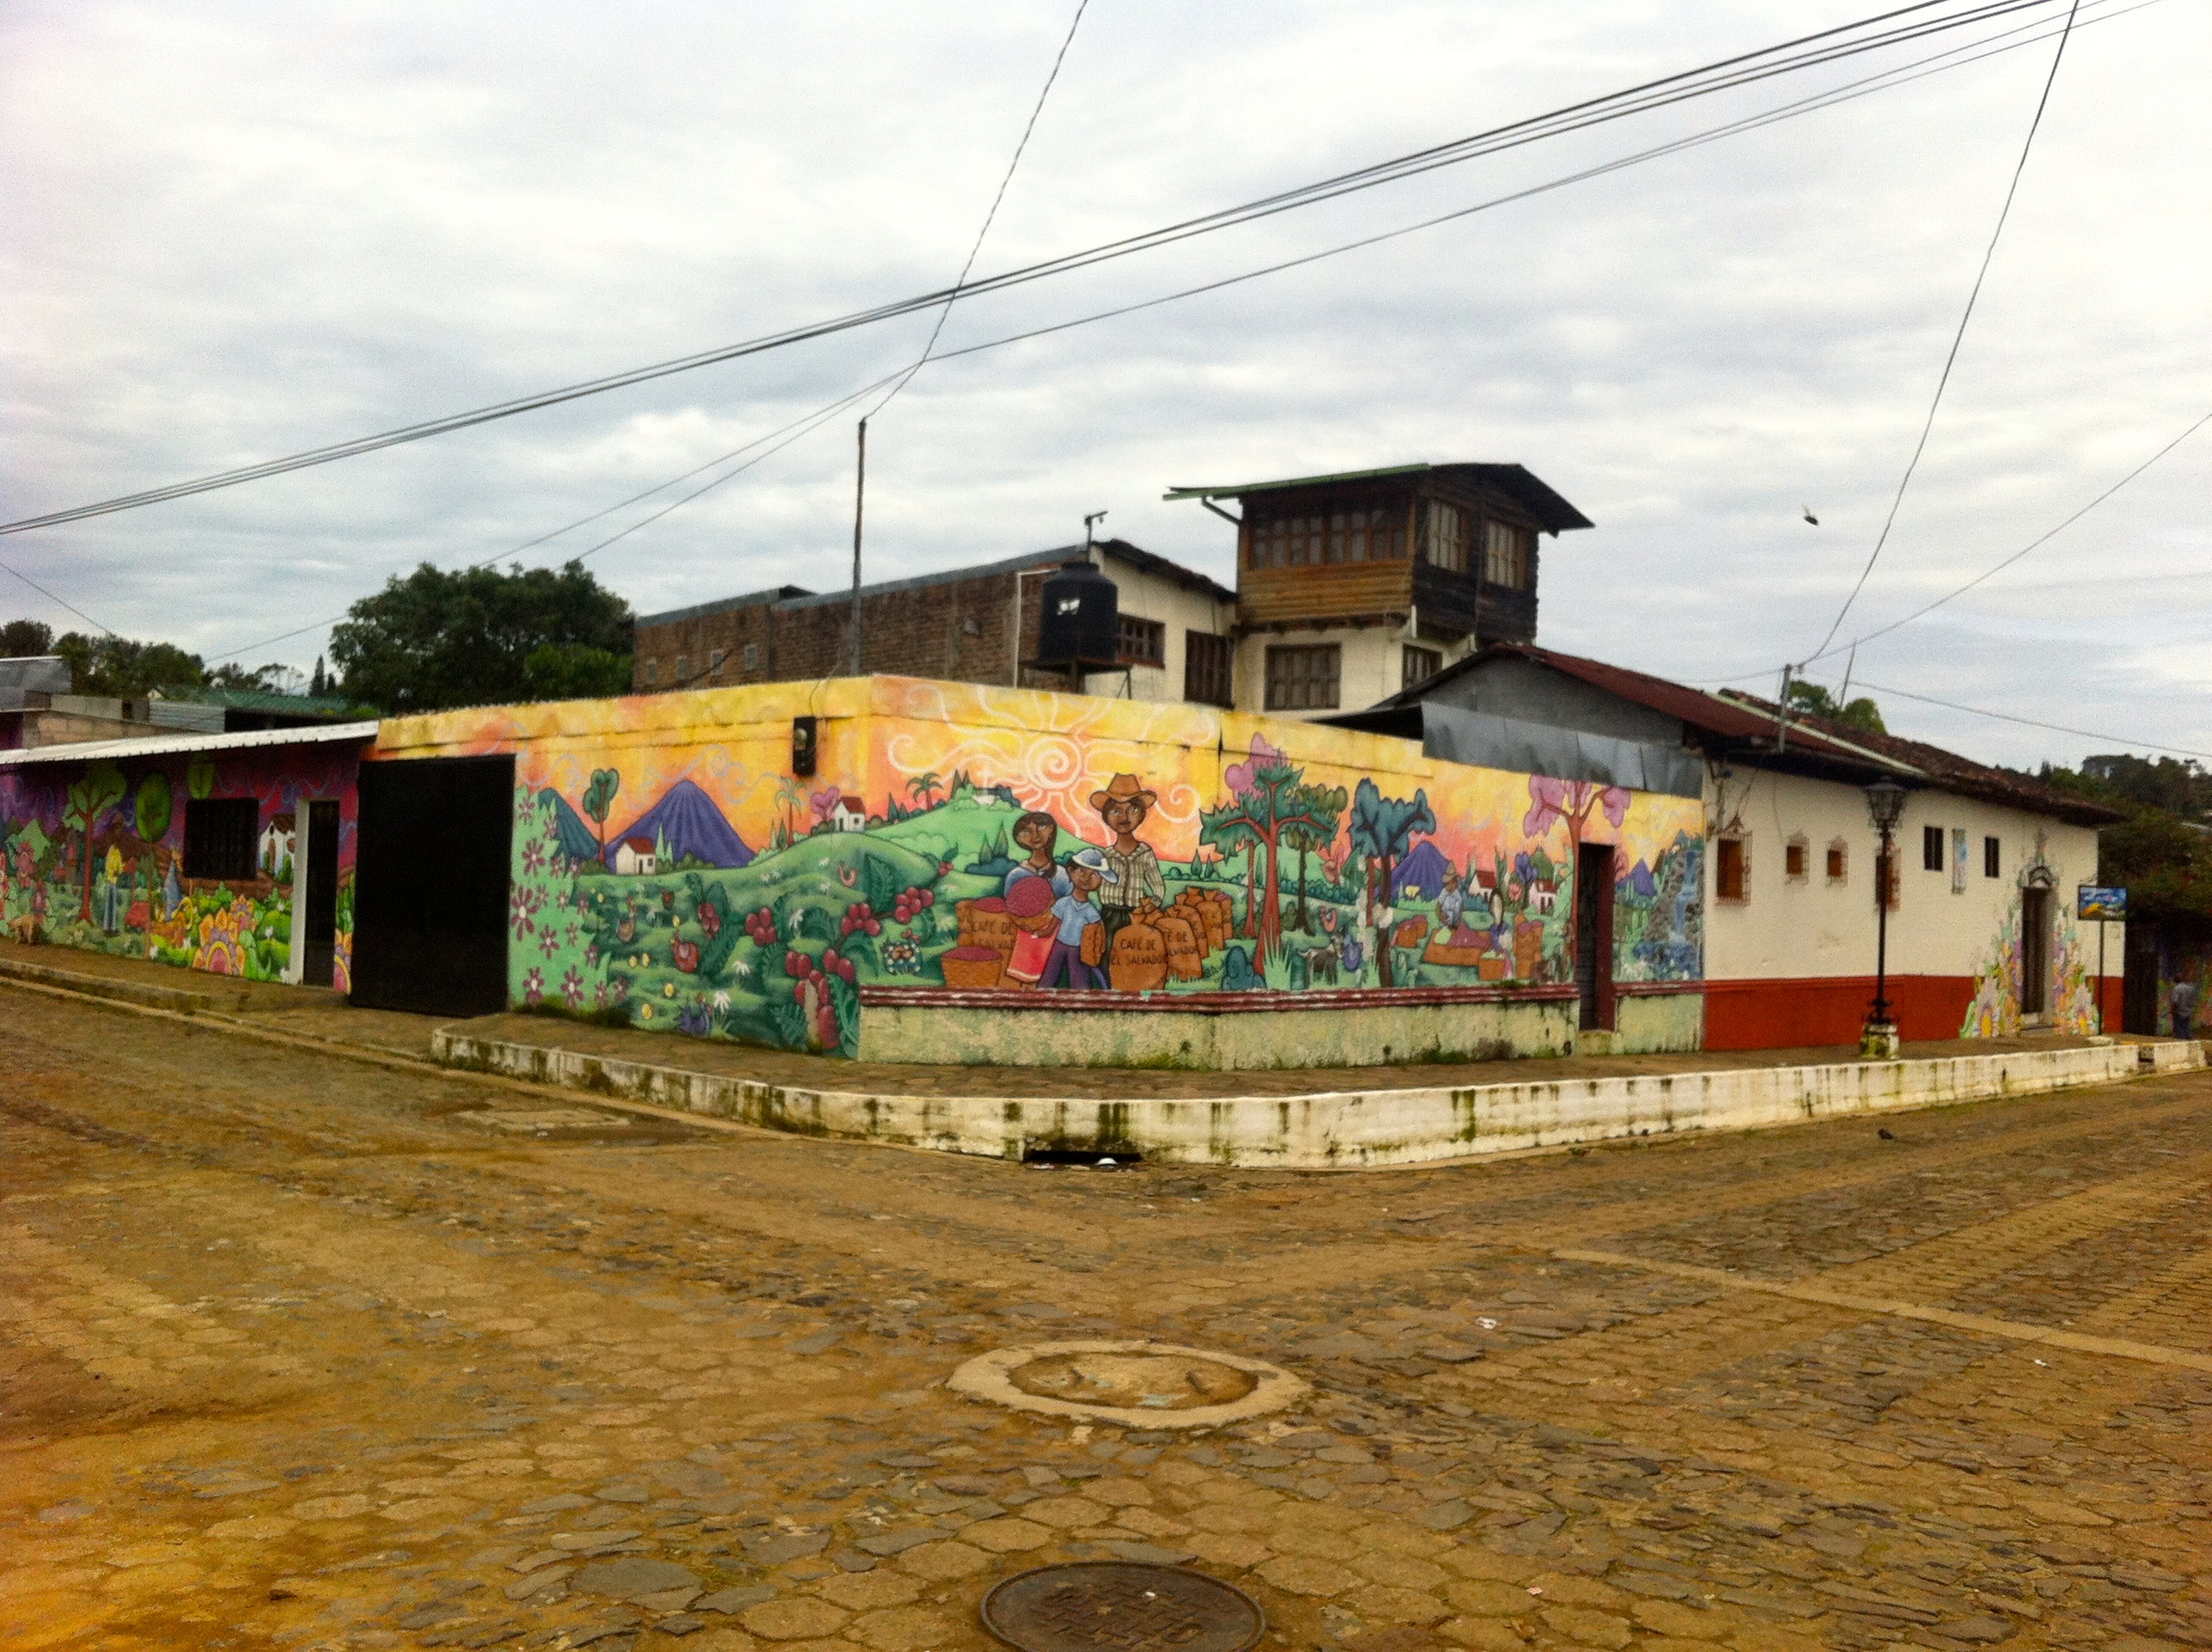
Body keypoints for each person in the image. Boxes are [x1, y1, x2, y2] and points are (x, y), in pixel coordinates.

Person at [1090, 773, 1166, 952]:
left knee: (1133, 957)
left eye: (1132, 810)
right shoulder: (1107, 855)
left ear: (1141, 815)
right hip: (1109, 914)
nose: (1124, 817)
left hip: (1136, 915)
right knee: (1108, 954)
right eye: (1115, 811)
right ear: (1106, 817)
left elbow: (1157, 884)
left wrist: (1153, 904)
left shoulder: (1145, 853)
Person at [1040, 848, 1117, 989]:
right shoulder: (1063, 903)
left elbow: (1098, 935)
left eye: (1095, 874)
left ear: (1101, 880)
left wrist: (1094, 952)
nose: (1086, 878)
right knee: (1050, 974)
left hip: (1079, 949)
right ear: (1071, 871)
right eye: (1081, 871)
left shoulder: (1091, 912)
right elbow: (1052, 926)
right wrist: (1040, 934)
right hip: (1059, 945)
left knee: (1080, 979)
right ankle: (1041, 994)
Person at [1003, 811, 1070, 900]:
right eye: (1027, 831)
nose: (1035, 836)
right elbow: (1009, 902)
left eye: (1041, 827)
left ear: (1051, 829)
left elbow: (1069, 903)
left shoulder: (1061, 874)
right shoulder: (1016, 874)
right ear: (1019, 838)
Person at [2172, 974, 2200, 1041]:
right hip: (2188, 1012)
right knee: (2187, 1028)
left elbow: (2175, 1002)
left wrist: (2173, 1011)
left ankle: (2182, 1042)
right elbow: (2194, 1000)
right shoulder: (2190, 988)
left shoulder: (2177, 989)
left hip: (2179, 1012)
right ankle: (2189, 1042)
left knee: (2179, 1030)